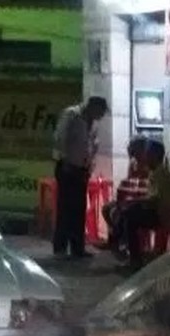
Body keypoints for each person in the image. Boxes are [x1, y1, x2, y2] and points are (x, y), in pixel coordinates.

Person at [51, 95, 109, 259]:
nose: (101, 116)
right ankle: (60, 247)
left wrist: (90, 166)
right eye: (100, 112)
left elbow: (92, 145)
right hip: (67, 166)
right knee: (65, 208)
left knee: (79, 209)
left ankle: (77, 247)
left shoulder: (92, 123)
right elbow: (60, 138)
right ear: (92, 107)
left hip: (82, 169)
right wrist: (64, 160)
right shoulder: (72, 115)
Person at [109, 140, 170, 270]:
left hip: (163, 216)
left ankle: (127, 252)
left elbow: (154, 199)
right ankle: (123, 247)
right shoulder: (158, 172)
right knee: (128, 212)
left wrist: (136, 201)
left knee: (129, 215)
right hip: (160, 212)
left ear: (155, 156)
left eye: (148, 154)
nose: (145, 157)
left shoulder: (159, 174)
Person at [102, 135, 149, 248]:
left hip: (141, 199)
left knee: (121, 211)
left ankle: (120, 240)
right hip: (130, 196)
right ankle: (115, 237)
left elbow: (145, 184)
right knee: (107, 208)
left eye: (133, 148)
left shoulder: (147, 163)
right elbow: (129, 180)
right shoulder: (133, 162)